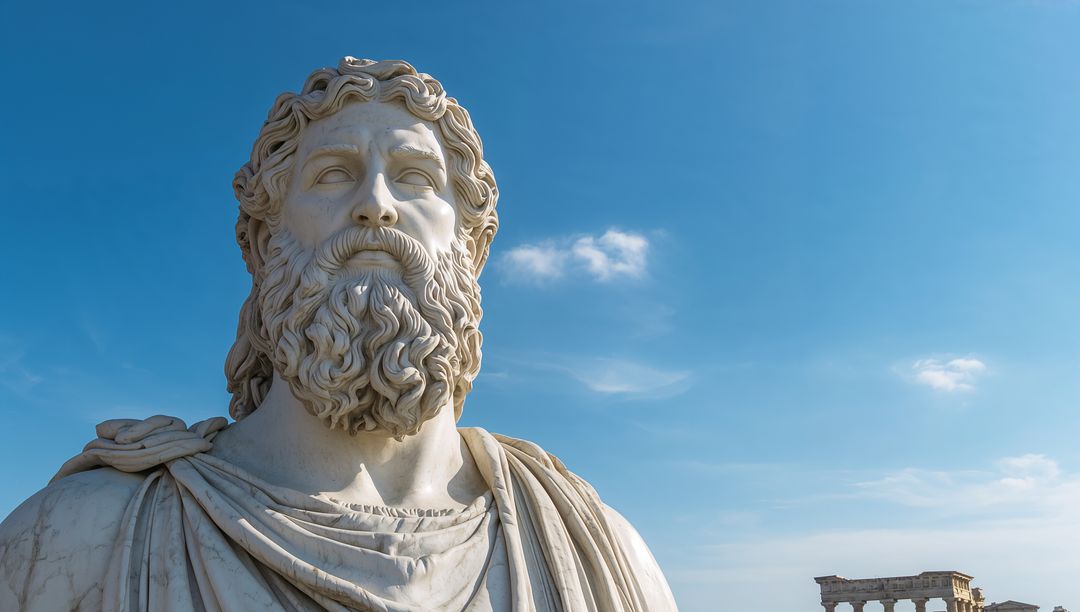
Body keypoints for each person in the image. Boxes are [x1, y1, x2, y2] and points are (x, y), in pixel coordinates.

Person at [0, 57, 677, 611]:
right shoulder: (75, 540)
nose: (376, 204)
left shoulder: (605, 557)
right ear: (265, 244)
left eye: (414, 177)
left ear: (471, 249)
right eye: (334, 174)